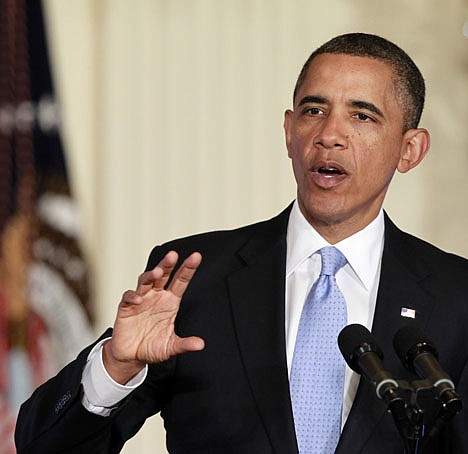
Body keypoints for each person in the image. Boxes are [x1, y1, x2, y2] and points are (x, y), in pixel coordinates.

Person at [15, 33, 468, 454]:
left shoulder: (456, 297)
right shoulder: (197, 278)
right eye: (313, 110)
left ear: (410, 149)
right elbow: (43, 446)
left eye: (362, 115)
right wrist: (115, 366)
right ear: (289, 132)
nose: (329, 134)